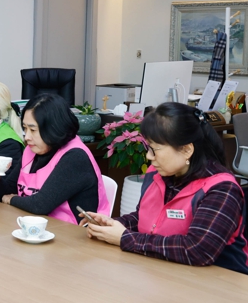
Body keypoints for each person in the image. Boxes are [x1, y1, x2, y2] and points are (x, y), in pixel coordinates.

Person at [83, 103, 248, 274]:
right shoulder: (157, 173)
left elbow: (198, 250)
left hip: (219, 282)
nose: (149, 156)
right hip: (164, 273)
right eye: (148, 148)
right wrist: (114, 224)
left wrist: (125, 238)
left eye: (154, 149)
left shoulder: (222, 189)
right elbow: (145, 218)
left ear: (186, 150)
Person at [0, 93, 109, 224]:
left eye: (33, 130)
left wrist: (11, 200)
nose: (27, 137)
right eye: (25, 128)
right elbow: (8, 190)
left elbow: (40, 204)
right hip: (38, 226)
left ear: (54, 128)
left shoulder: (75, 157)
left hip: (75, 232)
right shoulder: (32, 149)